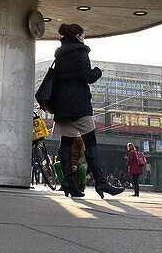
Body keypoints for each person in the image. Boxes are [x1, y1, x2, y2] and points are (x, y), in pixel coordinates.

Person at [50, 22, 122, 199]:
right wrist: (98, 71)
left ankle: (68, 183)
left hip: (62, 103)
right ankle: (101, 182)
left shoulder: (59, 54)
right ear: (77, 36)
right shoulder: (81, 51)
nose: (84, 39)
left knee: (65, 143)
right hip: (79, 104)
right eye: (83, 36)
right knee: (90, 142)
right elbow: (87, 76)